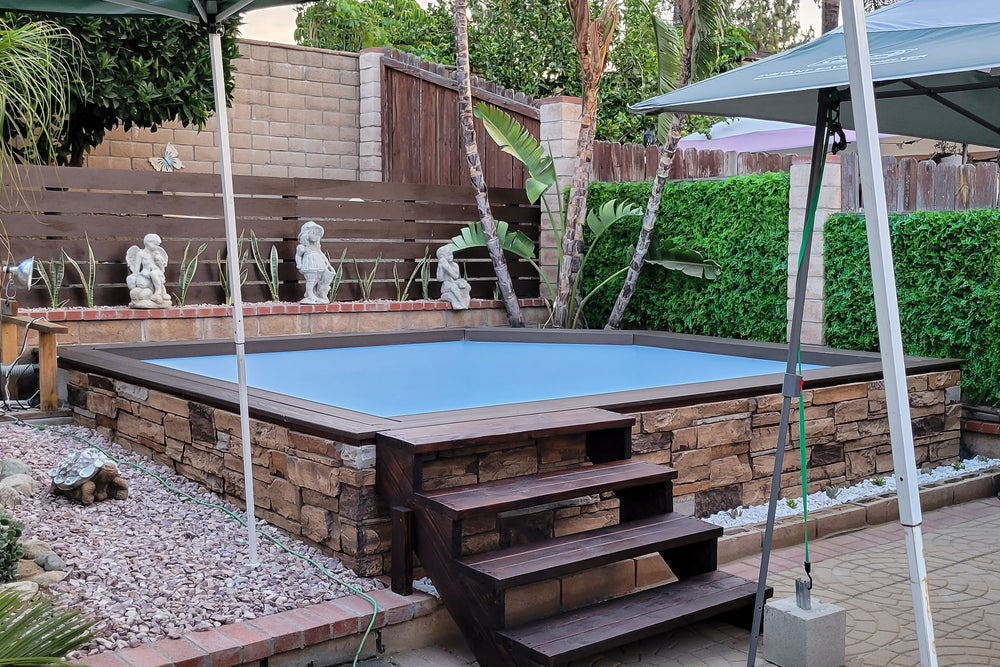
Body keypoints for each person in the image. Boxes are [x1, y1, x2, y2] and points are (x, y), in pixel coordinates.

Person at [125, 233, 171, 308]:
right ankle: (139, 298)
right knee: (133, 279)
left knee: (153, 273)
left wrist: (159, 259)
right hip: (145, 273)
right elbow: (136, 268)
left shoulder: (157, 253)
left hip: (157, 272)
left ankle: (158, 292)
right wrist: (136, 276)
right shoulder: (140, 253)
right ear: (147, 242)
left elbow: (162, 267)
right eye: (155, 244)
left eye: (158, 245)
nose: (156, 247)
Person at [295, 221, 335, 304]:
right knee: (310, 280)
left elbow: (321, 254)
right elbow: (298, 256)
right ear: (306, 234)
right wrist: (299, 265)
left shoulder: (316, 246)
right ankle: (310, 294)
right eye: (313, 233)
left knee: (317, 278)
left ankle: (309, 292)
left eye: (317, 234)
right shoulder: (302, 247)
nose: (315, 236)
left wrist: (327, 262)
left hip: (319, 265)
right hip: (309, 265)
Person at [436, 245, 471, 309]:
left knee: (466, 286)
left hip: (454, 281)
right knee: (454, 288)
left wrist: (447, 268)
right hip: (446, 284)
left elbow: (455, 276)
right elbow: (439, 279)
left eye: (451, 254)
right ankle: (461, 303)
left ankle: (465, 300)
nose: (451, 256)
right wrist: (442, 267)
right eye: (448, 255)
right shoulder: (441, 265)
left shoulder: (454, 265)